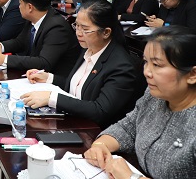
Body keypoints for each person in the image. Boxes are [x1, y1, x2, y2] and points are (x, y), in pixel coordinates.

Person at [84, 26, 196, 179]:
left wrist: (131, 177)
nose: (146, 72)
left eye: (156, 65)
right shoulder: (154, 96)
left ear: (192, 74)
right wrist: (100, 146)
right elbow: (128, 127)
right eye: (146, 62)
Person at [21, 0, 140, 128]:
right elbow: (78, 87)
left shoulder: (122, 66)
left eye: (85, 29)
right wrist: (49, 78)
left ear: (106, 32)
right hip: (72, 121)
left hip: (94, 131)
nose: (78, 33)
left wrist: (52, 98)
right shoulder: (87, 48)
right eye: (77, 26)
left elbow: (100, 110)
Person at [0, 0, 80, 77]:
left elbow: (44, 62)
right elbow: (20, 42)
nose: (19, 6)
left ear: (30, 7)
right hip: (33, 75)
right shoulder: (33, 18)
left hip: (54, 80)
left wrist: (4, 59)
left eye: (20, 3)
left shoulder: (57, 27)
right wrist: (0, 46)